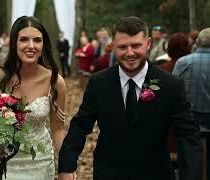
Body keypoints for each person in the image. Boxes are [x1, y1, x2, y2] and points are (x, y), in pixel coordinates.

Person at [58, 16, 202, 180]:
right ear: (112, 46)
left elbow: (188, 136)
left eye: (136, 46)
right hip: (109, 173)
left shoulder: (171, 85)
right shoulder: (99, 83)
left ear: (148, 44)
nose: (130, 53)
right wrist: (66, 165)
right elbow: (80, 125)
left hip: (155, 174)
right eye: (122, 47)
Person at [0, 16, 66, 180]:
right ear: (14, 43)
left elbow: (58, 130)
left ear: (44, 45)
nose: (31, 46)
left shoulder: (55, 82)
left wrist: (66, 164)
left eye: (37, 40)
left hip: (38, 161)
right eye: (24, 39)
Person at [173, 27, 210, 177]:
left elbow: (173, 92)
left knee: (191, 166)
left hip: (191, 125)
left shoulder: (183, 62)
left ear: (197, 42)